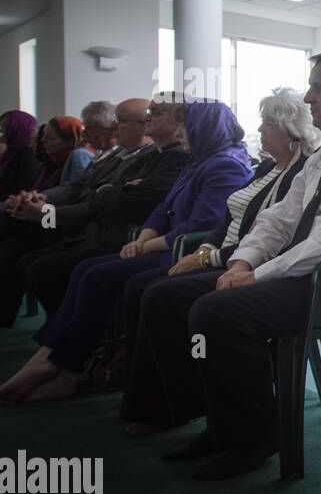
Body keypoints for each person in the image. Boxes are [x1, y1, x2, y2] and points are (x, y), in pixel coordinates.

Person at [139, 51, 321, 480]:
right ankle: (217, 420)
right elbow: (279, 218)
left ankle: (253, 438)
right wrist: (244, 260)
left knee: (218, 311)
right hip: (301, 275)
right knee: (166, 297)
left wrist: (259, 274)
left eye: (319, 89)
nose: (308, 98)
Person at [0, 99, 252, 404]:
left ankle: (61, 363)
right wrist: (142, 237)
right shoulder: (195, 160)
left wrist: (143, 240)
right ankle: (57, 361)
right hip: (149, 241)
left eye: (185, 125)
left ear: (205, 128)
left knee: (93, 274)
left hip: (181, 251)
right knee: (80, 269)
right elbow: (159, 209)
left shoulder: (221, 164)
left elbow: (197, 224)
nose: (180, 131)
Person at [117, 88, 317, 432]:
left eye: (268, 123)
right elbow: (227, 221)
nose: (260, 129)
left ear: (290, 131)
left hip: (253, 264)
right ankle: (162, 399)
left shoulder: (302, 173)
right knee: (145, 288)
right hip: (228, 255)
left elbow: (279, 237)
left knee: (162, 295)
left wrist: (212, 258)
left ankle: (178, 404)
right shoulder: (267, 168)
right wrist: (203, 251)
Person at [0, 98, 188, 325]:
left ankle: (66, 333)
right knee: (15, 239)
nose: (113, 126)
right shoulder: (119, 154)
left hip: (98, 229)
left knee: (33, 260)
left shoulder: (158, 155)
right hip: (79, 223)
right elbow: (79, 187)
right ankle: (60, 330)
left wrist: (47, 213)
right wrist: (42, 198)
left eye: (120, 121)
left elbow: (110, 202)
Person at [31, 117, 86, 189]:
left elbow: (73, 192)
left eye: (51, 138)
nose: (42, 140)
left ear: (70, 142)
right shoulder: (51, 162)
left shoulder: (78, 159)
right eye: (43, 135)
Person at [0, 111, 40, 201]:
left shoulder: (28, 154)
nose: (2, 134)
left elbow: (24, 188)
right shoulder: (11, 153)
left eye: (5, 128)